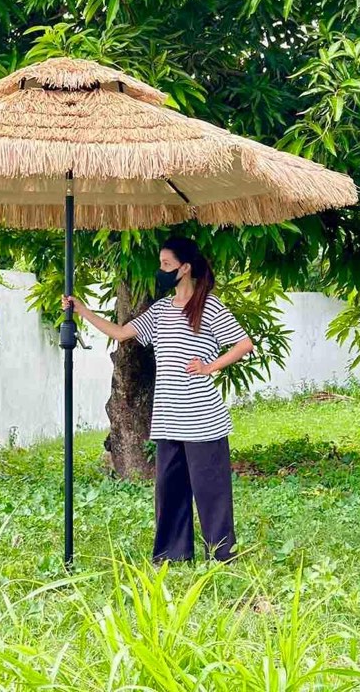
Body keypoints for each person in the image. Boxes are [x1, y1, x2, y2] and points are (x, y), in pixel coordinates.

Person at [62, 235, 254, 565]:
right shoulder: (161, 310)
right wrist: (81, 310)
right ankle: (172, 555)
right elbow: (122, 333)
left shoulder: (209, 306)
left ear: (186, 268)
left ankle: (223, 557)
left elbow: (243, 344)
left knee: (211, 493)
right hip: (167, 416)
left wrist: (209, 366)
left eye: (167, 265)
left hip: (202, 417)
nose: (161, 270)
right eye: (161, 264)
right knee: (170, 490)